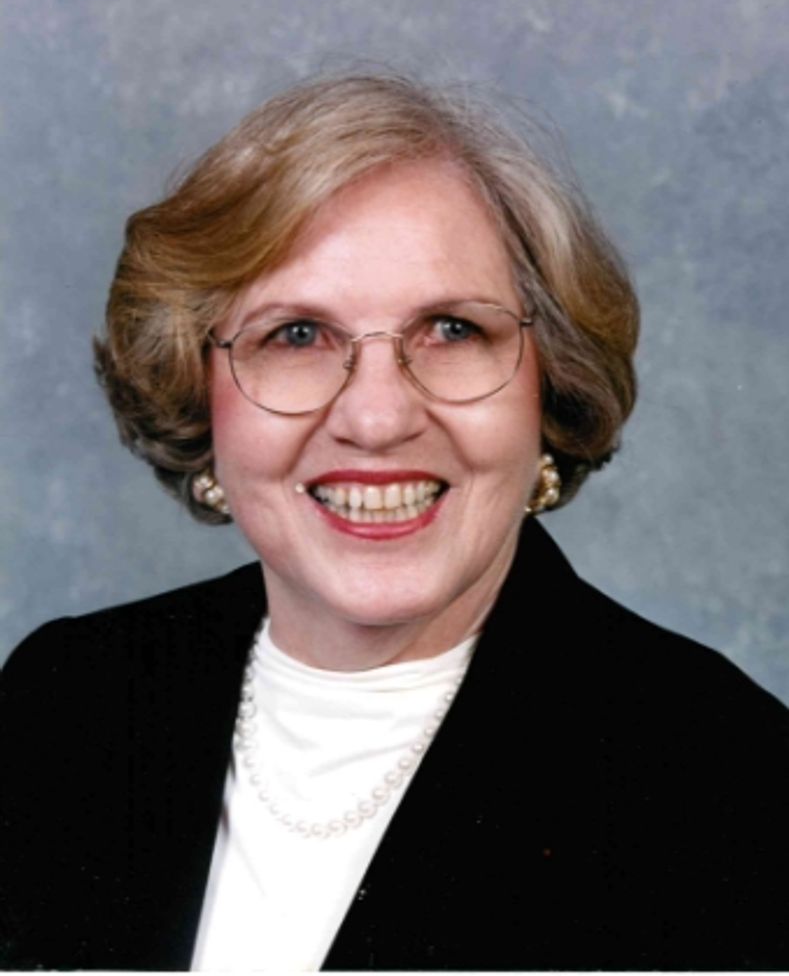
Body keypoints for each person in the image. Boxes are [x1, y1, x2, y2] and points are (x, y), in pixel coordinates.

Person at [1, 72, 788, 972]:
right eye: (296, 335)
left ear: (550, 386)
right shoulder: (64, 701)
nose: (376, 419)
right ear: (196, 392)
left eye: (450, 330)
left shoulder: (726, 783)